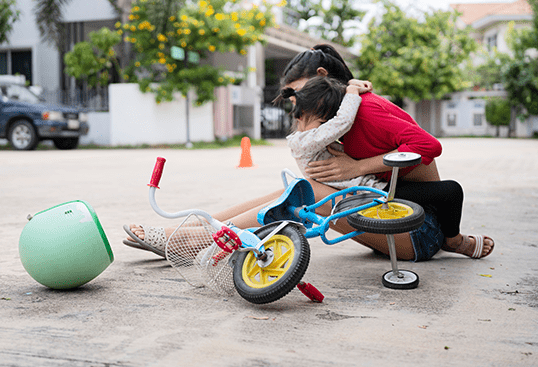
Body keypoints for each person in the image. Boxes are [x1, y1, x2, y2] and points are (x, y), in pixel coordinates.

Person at [124, 44, 494, 262]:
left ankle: (187, 242)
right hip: (388, 216)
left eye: (295, 93)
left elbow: (429, 147)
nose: (293, 104)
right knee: (295, 189)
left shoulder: (367, 109)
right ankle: (185, 230)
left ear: (320, 78)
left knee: (308, 193)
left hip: (418, 229)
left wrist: (355, 167)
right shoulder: (333, 120)